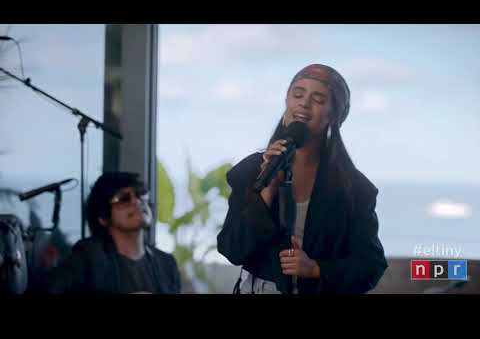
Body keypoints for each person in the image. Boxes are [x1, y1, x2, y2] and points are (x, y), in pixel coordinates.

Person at [217, 64, 388, 294]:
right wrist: (267, 191)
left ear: (334, 115)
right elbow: (232, 249)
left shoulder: (354, 188)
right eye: (297, 94)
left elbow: (371, 265)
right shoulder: (251, 171)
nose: (304, 103)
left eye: (318, 99)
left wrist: (316, 269)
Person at [45, 172, 180, 294]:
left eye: (139, 194)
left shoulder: (166, 263)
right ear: (103, 218)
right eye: (123, 199)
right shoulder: (87, 257)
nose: (136, 201)